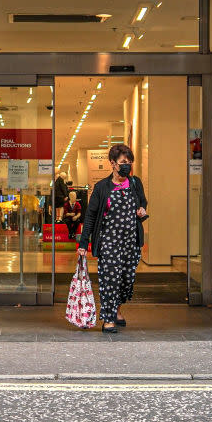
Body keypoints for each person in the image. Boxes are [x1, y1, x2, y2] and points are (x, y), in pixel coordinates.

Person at [76, 143, 147, 334]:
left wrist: (142, 211)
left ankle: (116, 310)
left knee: (126, 279)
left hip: (130, 242)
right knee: (110, 279)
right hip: (109, 242)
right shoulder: (102, 187)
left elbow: (142, 203)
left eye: (129, 162)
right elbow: (90, 216)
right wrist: (84, 243)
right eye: (123, 162)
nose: (127, 165)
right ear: (113, 164)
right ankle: (108, 318)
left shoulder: (135, 183)